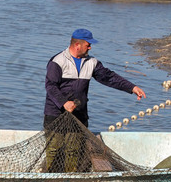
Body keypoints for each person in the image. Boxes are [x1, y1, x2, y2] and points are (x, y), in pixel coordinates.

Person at [44, 28, 146, 172]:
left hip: (79, 115)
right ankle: (50, 179)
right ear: (77, 45)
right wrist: (64, 102)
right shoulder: (57, 61)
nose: (90, 47)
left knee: (74, 151)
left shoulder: (92, 62)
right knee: (54, 149)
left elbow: (109, 77)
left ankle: (71, 179)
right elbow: (50, 86)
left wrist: (131, 87)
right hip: (55, 114)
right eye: (88, 44)